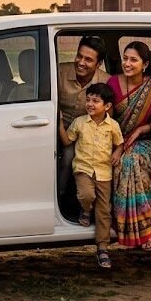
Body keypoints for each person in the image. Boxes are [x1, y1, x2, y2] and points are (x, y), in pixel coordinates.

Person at [60, 82, 124, 269]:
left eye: (95, 101)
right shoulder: (79, 122)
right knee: (86, 195)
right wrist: (59, 123)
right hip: (83, 169)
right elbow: (66, 141)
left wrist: (117, 153)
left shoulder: (112, 126)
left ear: (107, 106)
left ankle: (102, 248)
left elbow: (119, 143)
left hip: (104, 172)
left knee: (104, 210)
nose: (90, 104)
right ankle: (86, 209)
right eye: (88, 100)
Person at [109, 41, 151, 250]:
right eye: (125, 58)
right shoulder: (112, 83)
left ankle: (146, 225)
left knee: (133, 160)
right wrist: (119, 145)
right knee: (123, 160)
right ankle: (126, 225)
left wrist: (141, 129)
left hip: (147, 139)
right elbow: (108, 121)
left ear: (145, 64)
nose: (127, 64)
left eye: (133, 60)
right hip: (117, 139)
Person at [57, 36, 111, 197]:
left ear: (99, 63)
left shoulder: (106, 82)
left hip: (83, 134)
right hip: (52, 127)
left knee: (68, 158)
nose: (81, 62)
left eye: (88, 59)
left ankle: (61, 197)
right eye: (79, 56)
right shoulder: (58, 72)